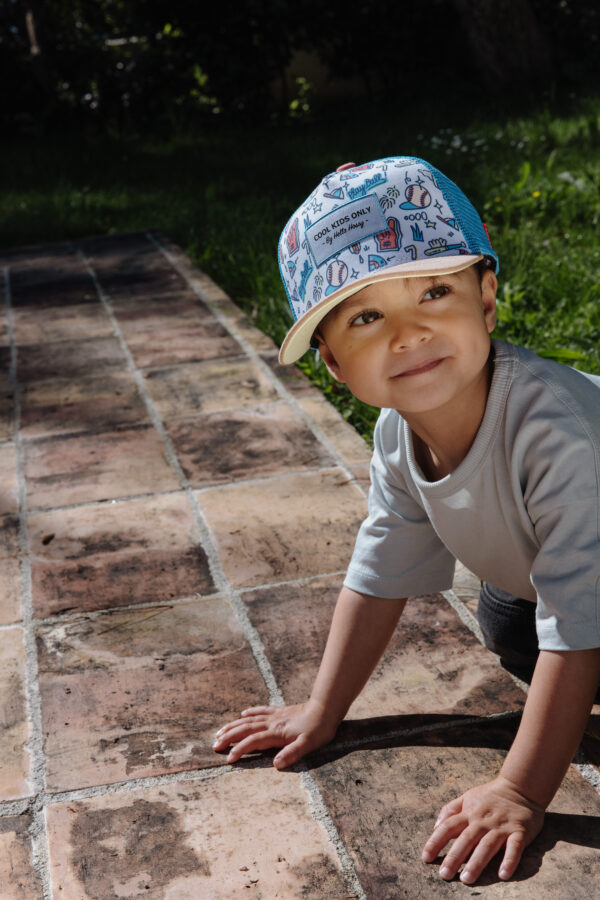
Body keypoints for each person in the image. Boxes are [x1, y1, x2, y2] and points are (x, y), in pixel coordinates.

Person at [213, 156, 600, 885]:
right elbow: (380, 569)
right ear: (331, 361)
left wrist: (519, 790)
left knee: (564, 631)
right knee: (512, 623)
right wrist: (322, 710)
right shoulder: (399, 432)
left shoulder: (556, 431)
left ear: (487, 300)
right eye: (366, 316)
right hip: (569, 584)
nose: (410, 332)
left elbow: (580, 620)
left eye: (433, 290)